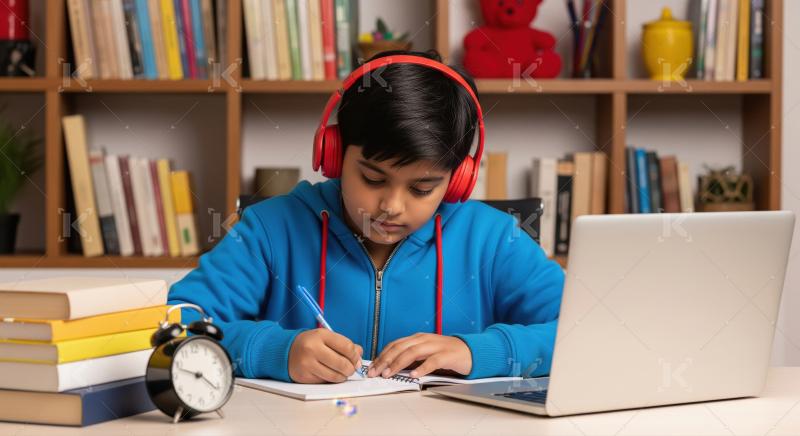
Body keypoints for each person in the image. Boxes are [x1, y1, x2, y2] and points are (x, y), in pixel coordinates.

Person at [168, 49, 564, 384]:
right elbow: (175, 325)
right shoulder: (271, 230)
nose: (391, 205)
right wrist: (272, 351)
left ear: (459, 179)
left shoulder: (493, 241)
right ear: (334, 153)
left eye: (422, 189)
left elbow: (587, 329)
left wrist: (477, 352)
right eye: (373, 177)